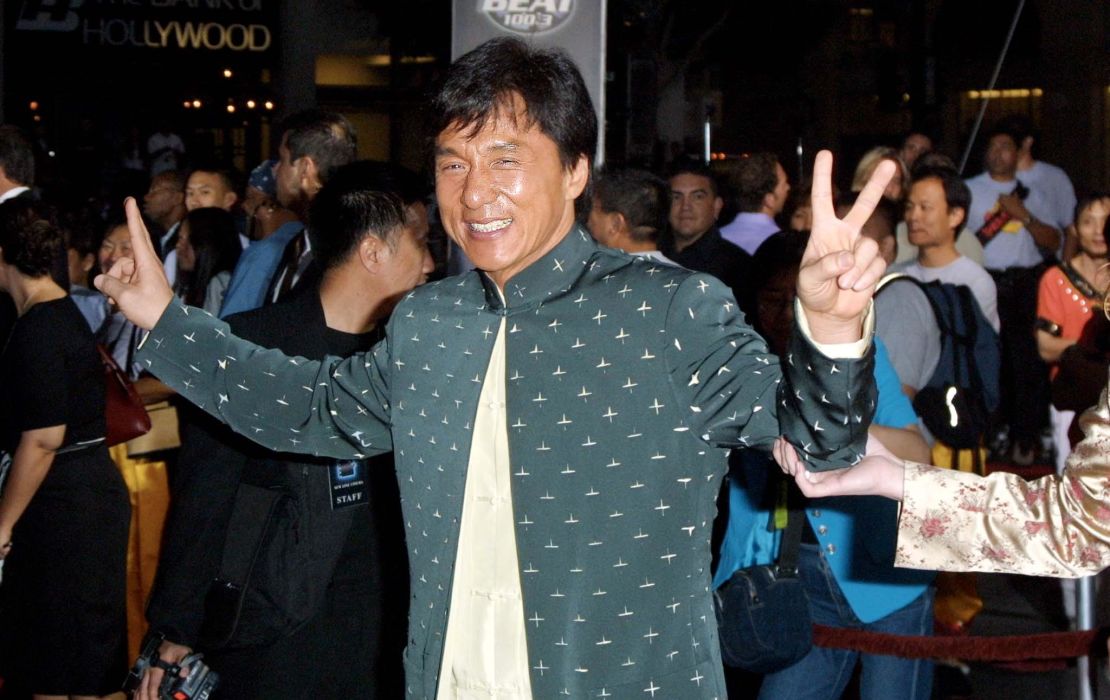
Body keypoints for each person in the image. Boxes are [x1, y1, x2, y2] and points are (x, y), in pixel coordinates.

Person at [98, 36, 894, 698]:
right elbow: (313, 409)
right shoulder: (428, 321)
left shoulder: (671, 310)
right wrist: (166, 323)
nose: (474, 192)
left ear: (577, 170)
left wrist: (829, 326)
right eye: (452, 163)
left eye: (505, 158)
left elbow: (820, 448)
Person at [139, 162, 431, 700]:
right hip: (272, 631)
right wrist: (175, 628)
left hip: (384, 631)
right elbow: (203, 499)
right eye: (421, 242)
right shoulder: (251, 348)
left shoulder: (412, 358)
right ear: (373, 251)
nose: (432, 263)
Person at [715, 232, 933, 700]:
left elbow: (919, 454)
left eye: (796, 299)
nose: (784, 313)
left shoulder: (861, 362)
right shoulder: (742, 371)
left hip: (884, 573)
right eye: (772, 300)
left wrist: (836, 430)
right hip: (797, 580)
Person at [0, 199, 130, 697]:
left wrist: (4, 522)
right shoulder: (57, 314)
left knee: (58, 666)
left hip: (67, 509)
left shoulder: (41, 325)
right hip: (79, 502)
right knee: (72, 664)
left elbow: (44, 438)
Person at [1038, 194, 1110, 473]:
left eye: (1105, 222)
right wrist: (1088, 349)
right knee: (1072, 479)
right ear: (1074, 229)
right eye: (1088, 222)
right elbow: (1045, 346)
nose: (1098, 230)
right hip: (1073, 394)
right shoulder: (1056, 279)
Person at [586, 168, 675, 265]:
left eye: (592, 211)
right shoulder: (685, 278)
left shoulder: (599, 277)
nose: (588, 222)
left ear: (615, 224)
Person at [173, 207, 241, 315]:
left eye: (187, 239)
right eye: (180, 238)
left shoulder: (221, 283)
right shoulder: (187, 288)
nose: (178, 246)